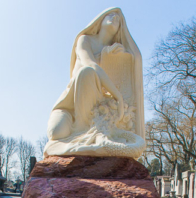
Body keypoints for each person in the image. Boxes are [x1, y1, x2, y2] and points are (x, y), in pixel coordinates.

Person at [44, 7, 145, 158]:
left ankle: (89, 140)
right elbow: (90, 64)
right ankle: (85, 140)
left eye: (118, 19)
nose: (114, 18)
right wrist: (117, 95)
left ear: (120, 29)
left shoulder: (117, 52)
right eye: (110, 15)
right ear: (100, 20)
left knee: (89, 73)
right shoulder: (85, 40)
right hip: (69, 108)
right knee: (57, 132)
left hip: (97, 108)